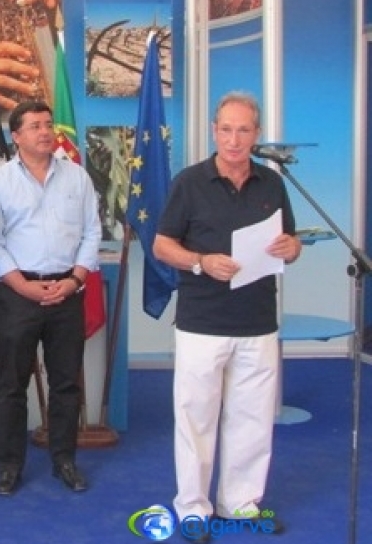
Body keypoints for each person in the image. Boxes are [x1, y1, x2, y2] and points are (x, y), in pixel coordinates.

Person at [152, 91, 301, 544]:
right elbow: (162, 245)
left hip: (258, 320)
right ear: (214, 131)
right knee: (196, 419)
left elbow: (290, 241)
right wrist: (201, 261)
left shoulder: (272, 183)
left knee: (252, 419)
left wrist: (293, 247)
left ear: (257, 135)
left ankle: (240, 503)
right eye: (226, 130)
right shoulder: (189, 182)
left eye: (243, 130)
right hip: (202, 322)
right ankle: (192, 509)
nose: (234, 140)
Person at [0, 100, 102, 495]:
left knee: (66, 384)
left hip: (67, 291)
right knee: (12, 385)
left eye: (49, 124)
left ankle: (64, 460)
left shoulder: (77, 177)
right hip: (19, 294)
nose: (46, 132)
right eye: (35, 126)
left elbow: (92, 232)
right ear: (16, 136)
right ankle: (8, 466)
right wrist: (21, 285)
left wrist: (76, 279)